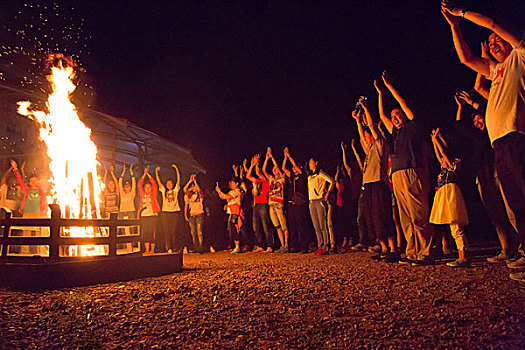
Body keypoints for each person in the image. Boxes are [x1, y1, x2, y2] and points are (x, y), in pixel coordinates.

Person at [441, 2, 525, 280]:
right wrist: (454, 27)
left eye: (497, 40)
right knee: (516, 203)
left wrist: (462, 14)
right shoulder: (496, 72)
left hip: (518, 137)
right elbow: (466, 59)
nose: (493, 43)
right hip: (499, 143)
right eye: (490, 43)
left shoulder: (520, 56)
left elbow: (491, 23)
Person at [375, 72, 433, 265]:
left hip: (413, 171)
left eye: (398, 115)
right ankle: (411, 251)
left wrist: (390, 87)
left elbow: (405, 107)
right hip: (397, 175)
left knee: (418, 212)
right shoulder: (395, 133)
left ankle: (425, 251)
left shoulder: (413, 126)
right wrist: (380, 93)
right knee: (405, 216)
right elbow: (382, 115)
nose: (396, 118)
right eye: (394, 117)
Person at [455, 91, 520, 263]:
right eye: (475, 121)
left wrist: (471, 102)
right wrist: (461, 107)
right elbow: (459, 125)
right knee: (495, 214)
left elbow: (485, 109)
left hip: (498, 172)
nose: (478, 122)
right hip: (483, 176)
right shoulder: (476, 136)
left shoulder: (493, 131)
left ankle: (520, 248)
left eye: (480, 118)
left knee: (512, 209)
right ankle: (506, 248)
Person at [354, 96, 398, 262]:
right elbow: (361, 136)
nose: (366, 139)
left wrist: (365, 108)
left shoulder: (380, 145)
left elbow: (371, 126)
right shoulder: (369, 150)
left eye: (368, 136)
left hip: (379, 185)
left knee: (384, 217)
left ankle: (394, 249)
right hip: (368, 187)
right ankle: (385, 249)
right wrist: (358, 121)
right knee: (373, 219)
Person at [429, 128, 470, 267]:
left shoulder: (454, 164)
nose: (441, 160)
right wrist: (435, 140)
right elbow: (439, 154)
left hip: (451, 194)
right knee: (451, 228)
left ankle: (463, 257)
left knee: (456, 226)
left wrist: (437, 140)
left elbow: (444, 152)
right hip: (443, 194)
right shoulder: (443, 169)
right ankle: (459, 253)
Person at [12, 159, 49, 256]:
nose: (32, 182)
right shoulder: (26, 190)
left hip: (39, 214)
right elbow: (20, 180)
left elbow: (45, 199)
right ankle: (24, 252)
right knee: (26, 232)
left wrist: (45, 211)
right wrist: (16, 168)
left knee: (39, 233)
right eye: (31, 180)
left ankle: (41, 252)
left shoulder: (41, 191)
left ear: (38, 182)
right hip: (27, 213)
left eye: (35, 180)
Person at [282, 147, 311, 253]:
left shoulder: (303, 176)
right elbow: (284, 168)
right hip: (291, 204)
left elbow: (295, 166)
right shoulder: (292, 177)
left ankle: (304, 245)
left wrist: (289, 156)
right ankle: (294, 245)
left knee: (301, 225)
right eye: (293, 168)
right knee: (292, 225)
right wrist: (285, 157)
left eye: (295, 168)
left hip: (300, 204)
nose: (294, 169)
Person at [262, 147, 289, 253]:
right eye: (273, 169)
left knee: (284, 226)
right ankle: (282, 245)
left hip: (279, 204)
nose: (274, 170)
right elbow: (264, 170)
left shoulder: (281, 178)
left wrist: (272, 157)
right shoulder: (271, 179)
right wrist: (266, 158)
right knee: (277, 226)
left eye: (275, 169)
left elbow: (278, 167)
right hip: (271, 204)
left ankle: (286, 245)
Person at [246, 154, 274, 253]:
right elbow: (248, 176)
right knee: (256, 226)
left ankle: (270, 246)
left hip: (263, 204)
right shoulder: (258, 181)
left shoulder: (266, 181)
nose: (258, 174)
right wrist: (252, 165)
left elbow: (258, 172)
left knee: (266, 225)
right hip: (257, 204)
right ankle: (260, 245)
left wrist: (257, 163)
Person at [307, 156, 335, 255]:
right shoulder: (310, 177)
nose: (309, 164)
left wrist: (327, 194)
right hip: (311, 202)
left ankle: (326, 246)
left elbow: (332, 181)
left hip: (319, 201)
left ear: (315, 163)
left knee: (322, 225)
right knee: (316, 226)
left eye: (311, 162)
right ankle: (320, 246)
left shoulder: (320, 174)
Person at [155, 164, 182, 253]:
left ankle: (174, 247)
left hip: (174, 212)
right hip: (165, 213)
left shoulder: (175, 190)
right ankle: (169, 248)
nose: (169, 184)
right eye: (168, 183)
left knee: (174, 231)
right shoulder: (163, 191)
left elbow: (178, 180)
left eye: (170, 183)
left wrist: (176, 170)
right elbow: (158, 182)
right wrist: (156, 172)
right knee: (166, 231)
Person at [215, 177, 243, 253]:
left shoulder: (236, 191)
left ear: (236, 184)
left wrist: (219, 191)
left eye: (232, 183)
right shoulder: (232, 191)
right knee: (232, 228)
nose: (230, 184)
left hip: (235, 211)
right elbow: (223, 197)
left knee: (234, 228)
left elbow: (226, 197)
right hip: (231, 211)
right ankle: (235, 245)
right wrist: (219, 192)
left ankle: (238, 246)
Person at [138, 166, 160, 254]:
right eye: (146, 187)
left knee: (152, 232)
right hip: (143, 216)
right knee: (145, 233)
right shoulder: (142, 194)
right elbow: (139, 184)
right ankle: (146, 249)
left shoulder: (153, 195)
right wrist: (144, 174)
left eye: (149, 187)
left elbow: (154, 184)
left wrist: (148, 174)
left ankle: (152, 250)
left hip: (152, 216)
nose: (147, 189)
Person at [184, 174, 206, 253]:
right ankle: (196, 247)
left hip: (199, 214)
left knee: (199, 232)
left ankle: (201, 248)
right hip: (192, 215)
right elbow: (184, 189)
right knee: (193, 233)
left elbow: (199, 190)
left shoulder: (200, 195)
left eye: (194, 187)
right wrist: (190, 181)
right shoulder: (189, 196)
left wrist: (195, 181)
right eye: (192, 187)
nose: (193, 188)